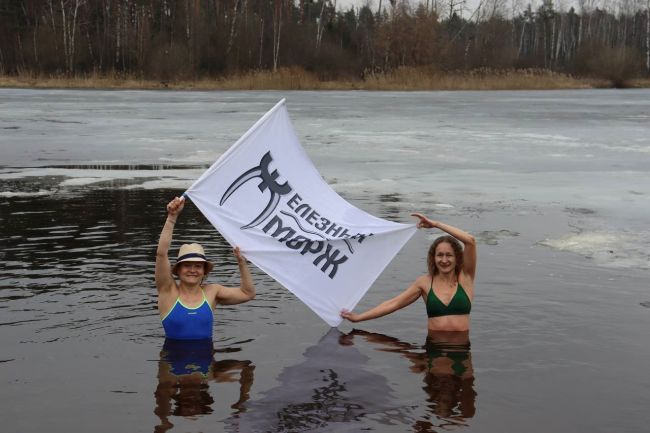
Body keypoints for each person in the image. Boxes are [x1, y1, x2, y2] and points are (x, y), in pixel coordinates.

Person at [341, 212, 476, 333]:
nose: (444, 260)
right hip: (434, 350)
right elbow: (394, 303)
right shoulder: (425, 283)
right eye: (440, 255)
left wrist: (436, 224)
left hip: (462, 351)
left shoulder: (465, 277)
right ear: (433, 258)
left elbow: (470, 241)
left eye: (449, 255)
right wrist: (358, 318)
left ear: (457, 257)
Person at [156, 196, 256, 340]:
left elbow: (248, 294)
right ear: (178, 270)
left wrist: (242, 263)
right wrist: (172, 217)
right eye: (187, 265)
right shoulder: (168, 291)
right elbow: (161, 254)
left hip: (207, 360)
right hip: (172, 360)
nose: (192, 270)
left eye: (198, 266)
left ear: (204, 271)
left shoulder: (212, 292)